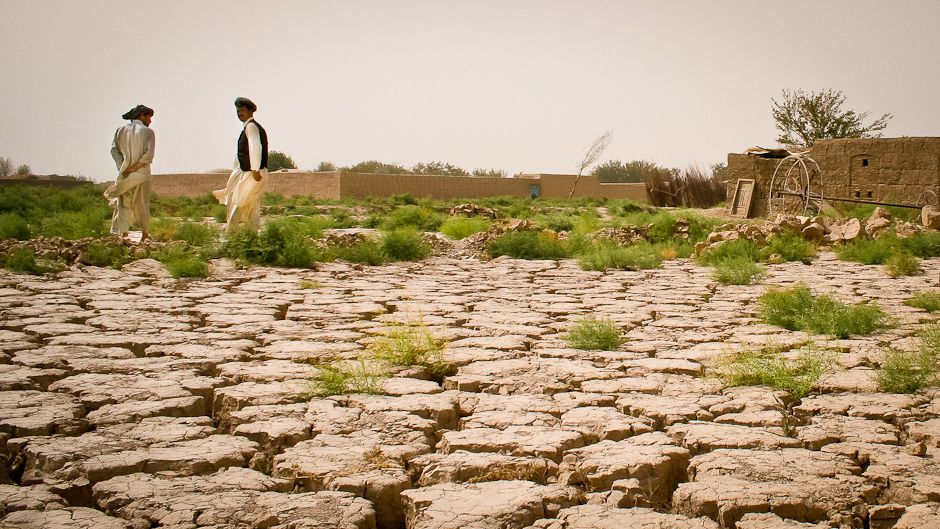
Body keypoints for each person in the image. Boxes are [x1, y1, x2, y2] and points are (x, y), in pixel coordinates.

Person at [213, 97, 268, 231]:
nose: (239, 114)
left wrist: (255, 170)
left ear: (250, 111)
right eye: (238, 111)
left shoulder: (251, 126)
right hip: (251, 172)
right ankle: (250, 237)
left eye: (242, 110)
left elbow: (255, 147)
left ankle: (233, 237)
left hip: (252, 174)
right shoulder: (249, 127)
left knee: (236, 204)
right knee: (250, 206)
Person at [105, 104, 155, 240]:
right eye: (149, 117)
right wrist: (134, 168)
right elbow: (148, 155)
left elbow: (114, 151)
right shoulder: (148, 132)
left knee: (123, 204)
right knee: (142, 204)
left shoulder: (120, 131)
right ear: (141, 115)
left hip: (124, 174)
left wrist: (123, 167)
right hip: (141, 174)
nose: (150, 121)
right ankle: (145, 235)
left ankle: (123, 234)